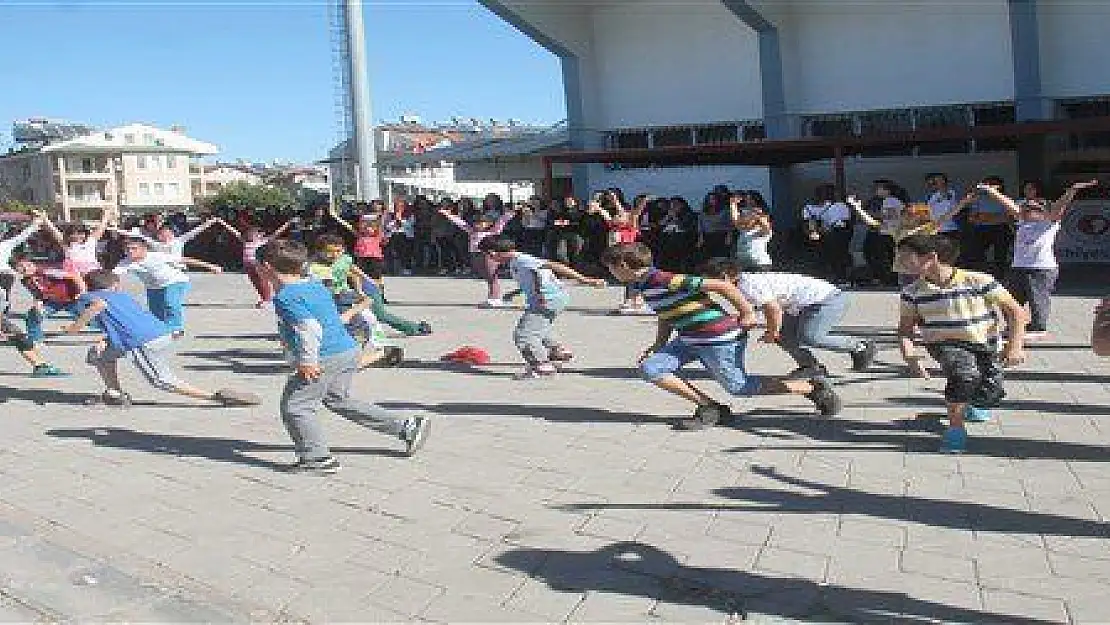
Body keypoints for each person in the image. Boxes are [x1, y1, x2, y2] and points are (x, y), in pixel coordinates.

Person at [601, 242, 843, 431]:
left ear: (623, 265)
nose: (610, 272)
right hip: (689, 339)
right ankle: (711, 408)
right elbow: (666, 314)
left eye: (611, 267)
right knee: (651, 368)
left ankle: (811, 387)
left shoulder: (665, 278)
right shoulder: (644, 286)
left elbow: (724, 286)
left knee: (739, 387)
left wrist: (747, 311)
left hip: (720, 338)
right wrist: (658, 344)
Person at [257, 239, 431, 474]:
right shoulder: (313, 285)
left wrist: (308, 361)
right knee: (338, 400)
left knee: (296, 406)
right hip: (346, 350)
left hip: (323, 357)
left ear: (266, 267)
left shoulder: (286, 296)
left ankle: (317, 459)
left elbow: (309, 328)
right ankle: (407, 426)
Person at [896, 234, 1026, 453]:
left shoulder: (979, 281)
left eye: (906, 257)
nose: (900, 262)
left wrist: (1014, 345)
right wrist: (909, 355)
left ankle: (974, 403)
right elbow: (905, 329)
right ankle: (955, 430)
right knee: (964, 376)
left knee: (989, 392)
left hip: (985, 343)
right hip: (945, 343)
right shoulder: (912, 292)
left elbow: (1015, 311)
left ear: (930, 258)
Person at [65, 270, 260, 407]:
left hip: (141, 341)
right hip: (161, 333)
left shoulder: (89, 297)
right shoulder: (122, 296)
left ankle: (217, 397)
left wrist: (74, 328)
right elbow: (120, 321)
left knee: (160, 380)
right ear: (115, 285)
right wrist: (105, 340)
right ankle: (115, 393)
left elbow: (98, 306)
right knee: (99, 354)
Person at [703, 258, 876, 378]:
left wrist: (772, 331)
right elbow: (753, 310)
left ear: (724, 277)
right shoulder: (738, 286)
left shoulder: (748, 285)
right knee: (785, 337)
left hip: (827, 300)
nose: (708, 285)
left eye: (709, 280)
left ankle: (861, 346)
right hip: (801, 305)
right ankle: (811, 368)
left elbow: (774, 310)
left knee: (811, 337)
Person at [981, 179, 1099, 339]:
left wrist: (1072, 191)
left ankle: (1038, 329)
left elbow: (1059, 206)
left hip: (1041, 269)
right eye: (1027, 209)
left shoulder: (1049, 223)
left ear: (1044, 211)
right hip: (1018, 267)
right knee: (1009, 300)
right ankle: (1015, 326)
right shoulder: (1022, 220)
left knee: (1037, 301)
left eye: (1033, 209)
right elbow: (1008, 203)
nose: (1028, 211)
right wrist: (992, 191)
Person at [478, 237, 606, 378]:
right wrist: (515, 293)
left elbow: (554, 266)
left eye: (486, 255)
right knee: (539, 327)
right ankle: (557, 352)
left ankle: (541, 365)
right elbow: (533, 278)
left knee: (524, 335)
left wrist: (586, 280)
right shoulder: (517, 261)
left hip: (547, 299)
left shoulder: (522, 260)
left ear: (492, 253)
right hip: (553, 298)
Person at [112, 237, 211, 337]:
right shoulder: (125, 262)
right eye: (127, 249)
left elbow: (184, 260)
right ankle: (161, 329)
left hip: (175, 281)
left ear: (144, 249)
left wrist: (211, 266)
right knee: (156, 311)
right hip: (153, 287)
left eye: (134, 248)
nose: (130, 251)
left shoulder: (157, 256)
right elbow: (114, 276)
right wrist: (113, 289)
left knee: (171, 302)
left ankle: (176, 329)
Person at [440, 203, 517, 307]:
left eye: (481, 222)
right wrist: (448, 215)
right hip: (475, 254)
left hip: (489, 255)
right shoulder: (471, 231)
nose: (477, 225)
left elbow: (502, 220)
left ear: (488, 223)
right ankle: (493, 297)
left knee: (492, 276)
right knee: (484, 275)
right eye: (476, 223)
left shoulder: (493, 231)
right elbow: (460, 222)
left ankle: (495, 298)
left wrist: (510, 213)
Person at [218, 217, 297, 308]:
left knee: (263, 282)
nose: (250, 235)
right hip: (248, 265)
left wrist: (288, 223)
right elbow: (232, 230)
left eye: (253, 233)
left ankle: (268, 299)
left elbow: (277, 233)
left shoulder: (262, 241)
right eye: (249, 233)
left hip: (258, 265)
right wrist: (222, 222)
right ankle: (264, 298)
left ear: (259, 235)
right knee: (256, 283)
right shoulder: (245, 240)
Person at [802, 184, 852, 283]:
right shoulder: (809, 207)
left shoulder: (839, 206)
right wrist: (813, 232)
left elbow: (841, 224)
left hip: (836, 235)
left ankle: (840, 277)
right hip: (819, 235)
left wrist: (819, 231)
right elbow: (808, 222)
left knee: (837, 254)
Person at [41, 208, 113, 276]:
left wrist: (106, 215)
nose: (77, 236)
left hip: (92, 271)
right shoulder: (67, 244)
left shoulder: (91, 241)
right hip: (73, 272)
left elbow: (102, 227)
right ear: (69, 235)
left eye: (80, 233)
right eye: (73, 234)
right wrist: (45, 219)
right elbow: (54, 231)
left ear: (85, 233)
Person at [729, 192, 773, 272]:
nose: (743, 217)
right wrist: (733, 204)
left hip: (760, 265)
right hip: (743, 264)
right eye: (743, 215)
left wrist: (759, 215)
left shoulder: (761, 231)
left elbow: (766, 226)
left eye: (747, 215)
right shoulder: (743, 230)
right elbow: (735, 220)